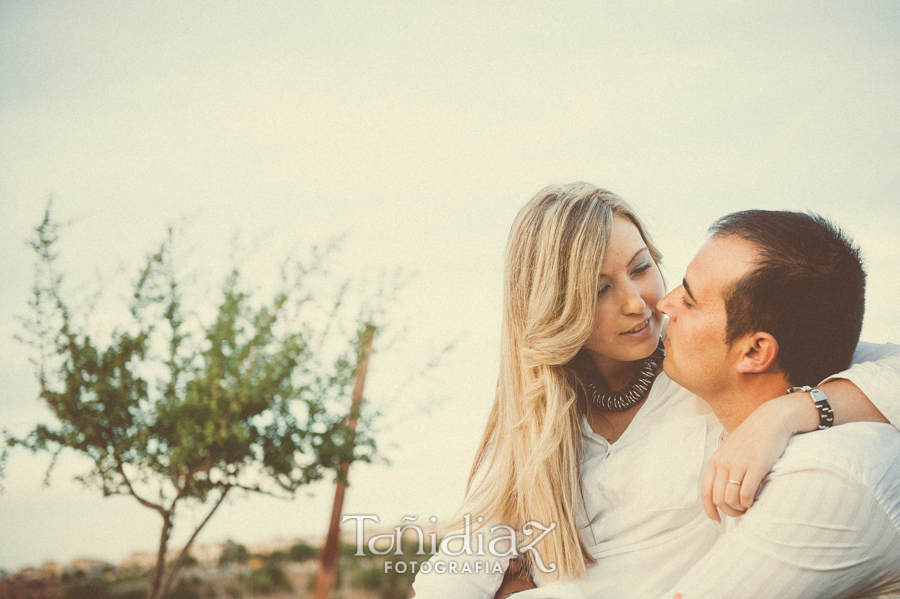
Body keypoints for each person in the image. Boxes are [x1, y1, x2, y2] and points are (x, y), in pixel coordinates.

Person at [410, 184, 900, 599]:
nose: (640, 303)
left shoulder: (708, 372)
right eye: (599, 289)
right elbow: (457, 566)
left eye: (642, 267)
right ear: (553, 308)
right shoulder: (534, 424)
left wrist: (792, 412)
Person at [650, 210, 900, 598]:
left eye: (689, 298)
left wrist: (785, 413)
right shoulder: (821, 358)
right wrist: (791, 410)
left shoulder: (824, 476)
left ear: (754, 351)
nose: (664, 304)